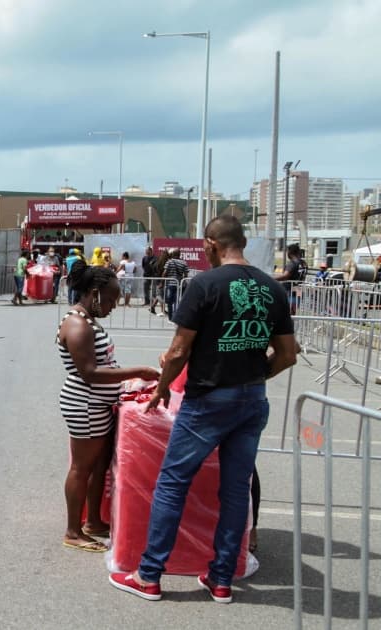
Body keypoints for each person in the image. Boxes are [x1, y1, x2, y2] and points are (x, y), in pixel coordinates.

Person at [109, 215, 297, 603]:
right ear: (241, 242)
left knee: (172, 484)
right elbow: (288, 354)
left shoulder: (205, 284)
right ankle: (222, 578)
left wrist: (161, 390)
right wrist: (256, 373)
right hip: (252, 399)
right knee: (234, 492)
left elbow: (178, 351)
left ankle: (149, 575)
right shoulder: (271, 287)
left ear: (211, 244)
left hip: (208, 400)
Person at [57, 263, 159, 554]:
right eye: (111, 299)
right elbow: (89, 372)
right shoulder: (77, 324)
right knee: (82, 467)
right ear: (94, 293)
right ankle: (73, 530)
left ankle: (93, 522)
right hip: (85, 404)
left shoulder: (87, 319)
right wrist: (136, 371)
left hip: (97, 403)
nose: (114, 305)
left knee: (99, 466)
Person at [275, 243, 307, 315]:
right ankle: (291, 324)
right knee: (293, 312)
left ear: (290, 252)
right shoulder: (304, 263)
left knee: (287, 312)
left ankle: (287, 325)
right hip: (298, 289)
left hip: (290, 290)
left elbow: (285, 276)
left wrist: (271, 279)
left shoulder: (292, 263)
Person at [162, 248, 190, 321]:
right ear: (179, 254)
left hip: (170, 284)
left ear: (173, 254)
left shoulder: (169, 262)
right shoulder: (184, 263)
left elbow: (164, 273)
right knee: (177, 302)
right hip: (180, 284)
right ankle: (176, 318)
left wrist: (162, 281)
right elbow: (186, 275)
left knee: (170, 302)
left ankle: (170, 318)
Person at [141, 247, 159, 313]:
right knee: (146, 288)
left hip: (154, 276)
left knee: (154, 290)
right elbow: (143, 266)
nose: (147, 253)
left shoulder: (156, 258)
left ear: (151, 251)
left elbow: (157, 266)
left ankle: (153, 303)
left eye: (148, 252)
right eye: (146, 252)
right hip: (146, 275)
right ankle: (147, 302)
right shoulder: (144, 258)